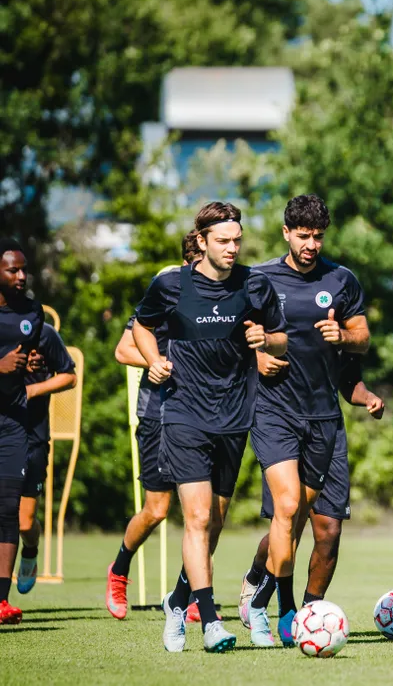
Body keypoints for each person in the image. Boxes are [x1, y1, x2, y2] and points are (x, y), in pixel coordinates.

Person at [133, 202, 287, 653]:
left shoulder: (254, 283)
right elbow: (142, 327)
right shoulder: (170, 283)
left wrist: (265, 340)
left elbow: (281, 335)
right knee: (197, 518)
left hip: (235, 417)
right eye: (223, 241)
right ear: (201, 241)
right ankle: (210, 621)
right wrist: (154, 359)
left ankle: (178, 601)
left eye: (237, 240)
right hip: (183, 415)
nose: (232, 248)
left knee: (215, 521)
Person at [240, 195, 369, 648]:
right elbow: (237, 337)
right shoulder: (258, 280)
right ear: (286, 233)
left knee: (327, 530)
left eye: (318, 236)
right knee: (289, 510)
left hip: (326, 418)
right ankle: (287, 610)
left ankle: (306, 607)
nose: (311, 244)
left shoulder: (341, 280)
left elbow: (362, 336)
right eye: (303, 235)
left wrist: (344, 336)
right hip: (274, 411)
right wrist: (255, 357)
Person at [238, 354, 384, 625]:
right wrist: (256, 358)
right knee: (288, 523)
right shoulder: (280, 318)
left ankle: (309, 616)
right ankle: (256, 576)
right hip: (282, 425)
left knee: (330, 529)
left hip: (328, 429)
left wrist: (367, 398)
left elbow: (350, 381)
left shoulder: (338, 327)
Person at [105, 231, 202, 620]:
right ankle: (119, 569)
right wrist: (155, 361)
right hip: (158, 412)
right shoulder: (165, 290)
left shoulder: (228, 295)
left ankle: (195, 593)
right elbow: (122, 349)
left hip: (202, 414)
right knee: (157, 510)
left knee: (202, 513)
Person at [0, 239, 46, 625]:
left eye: (23, 269)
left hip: (15, 422)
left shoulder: (33, 312)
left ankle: (1, 600)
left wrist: (30, 362)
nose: (20, 276)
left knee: (9, 510)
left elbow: (29, 358)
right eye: (12, 269)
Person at [16, 320, 77, 594]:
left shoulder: (43, 332)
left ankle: (30, 551)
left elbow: (69, 375)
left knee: (24, 522)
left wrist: (31, 390)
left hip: (33, 437)